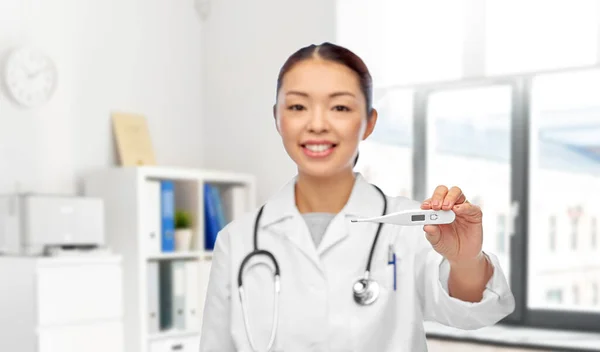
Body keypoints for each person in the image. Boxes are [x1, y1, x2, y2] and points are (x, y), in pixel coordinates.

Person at [199, 42, 515, 352]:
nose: (317, 124)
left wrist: (465, 260)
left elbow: (475, 312)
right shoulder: (237, 241)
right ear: (277, 118)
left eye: (340, 107)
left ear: (369, 122)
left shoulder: (414, 227)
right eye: (297, 106)